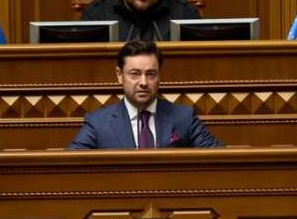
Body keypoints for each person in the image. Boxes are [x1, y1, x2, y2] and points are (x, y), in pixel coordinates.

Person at [70, 40, 221, 149]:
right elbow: (71, 166)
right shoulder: (98, 123)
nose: (143, 82)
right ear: (119, 75)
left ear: (159, 75)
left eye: (151, 74)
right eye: (135, 74)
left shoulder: (184, 117)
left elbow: (219, 158)